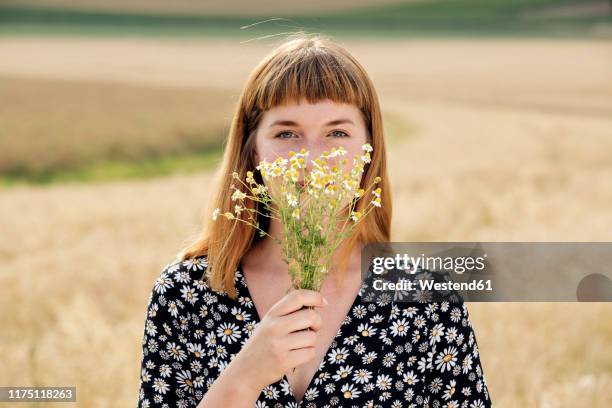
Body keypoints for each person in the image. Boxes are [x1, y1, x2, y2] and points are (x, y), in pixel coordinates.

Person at [136, 33, 492, 408]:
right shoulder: (187, 295)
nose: (310, 158)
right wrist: (244, 379)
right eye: (287, 133)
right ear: (253, 151)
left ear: (369, 152)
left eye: (337, 133)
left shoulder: (426, 301)